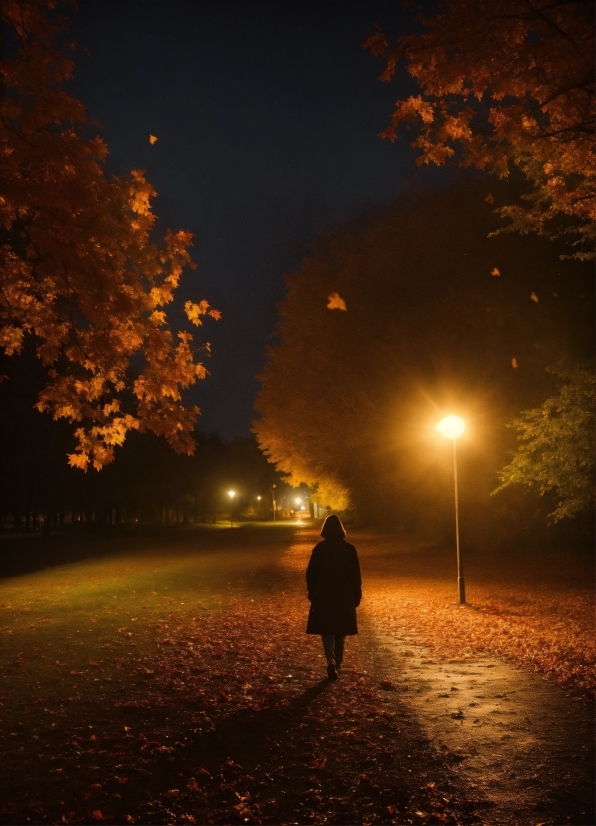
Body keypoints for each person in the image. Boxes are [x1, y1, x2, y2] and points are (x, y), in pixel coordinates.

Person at [306, 514, 362, 681]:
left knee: (327, 631)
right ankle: (337, 663)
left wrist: (312, 592)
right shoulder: (350, 549)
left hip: (324, 593)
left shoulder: (319, 549)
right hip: (344, 594)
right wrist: (356, 594)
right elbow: (355, 575)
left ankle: (330, 660)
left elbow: (310, 573)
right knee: (340, 631)